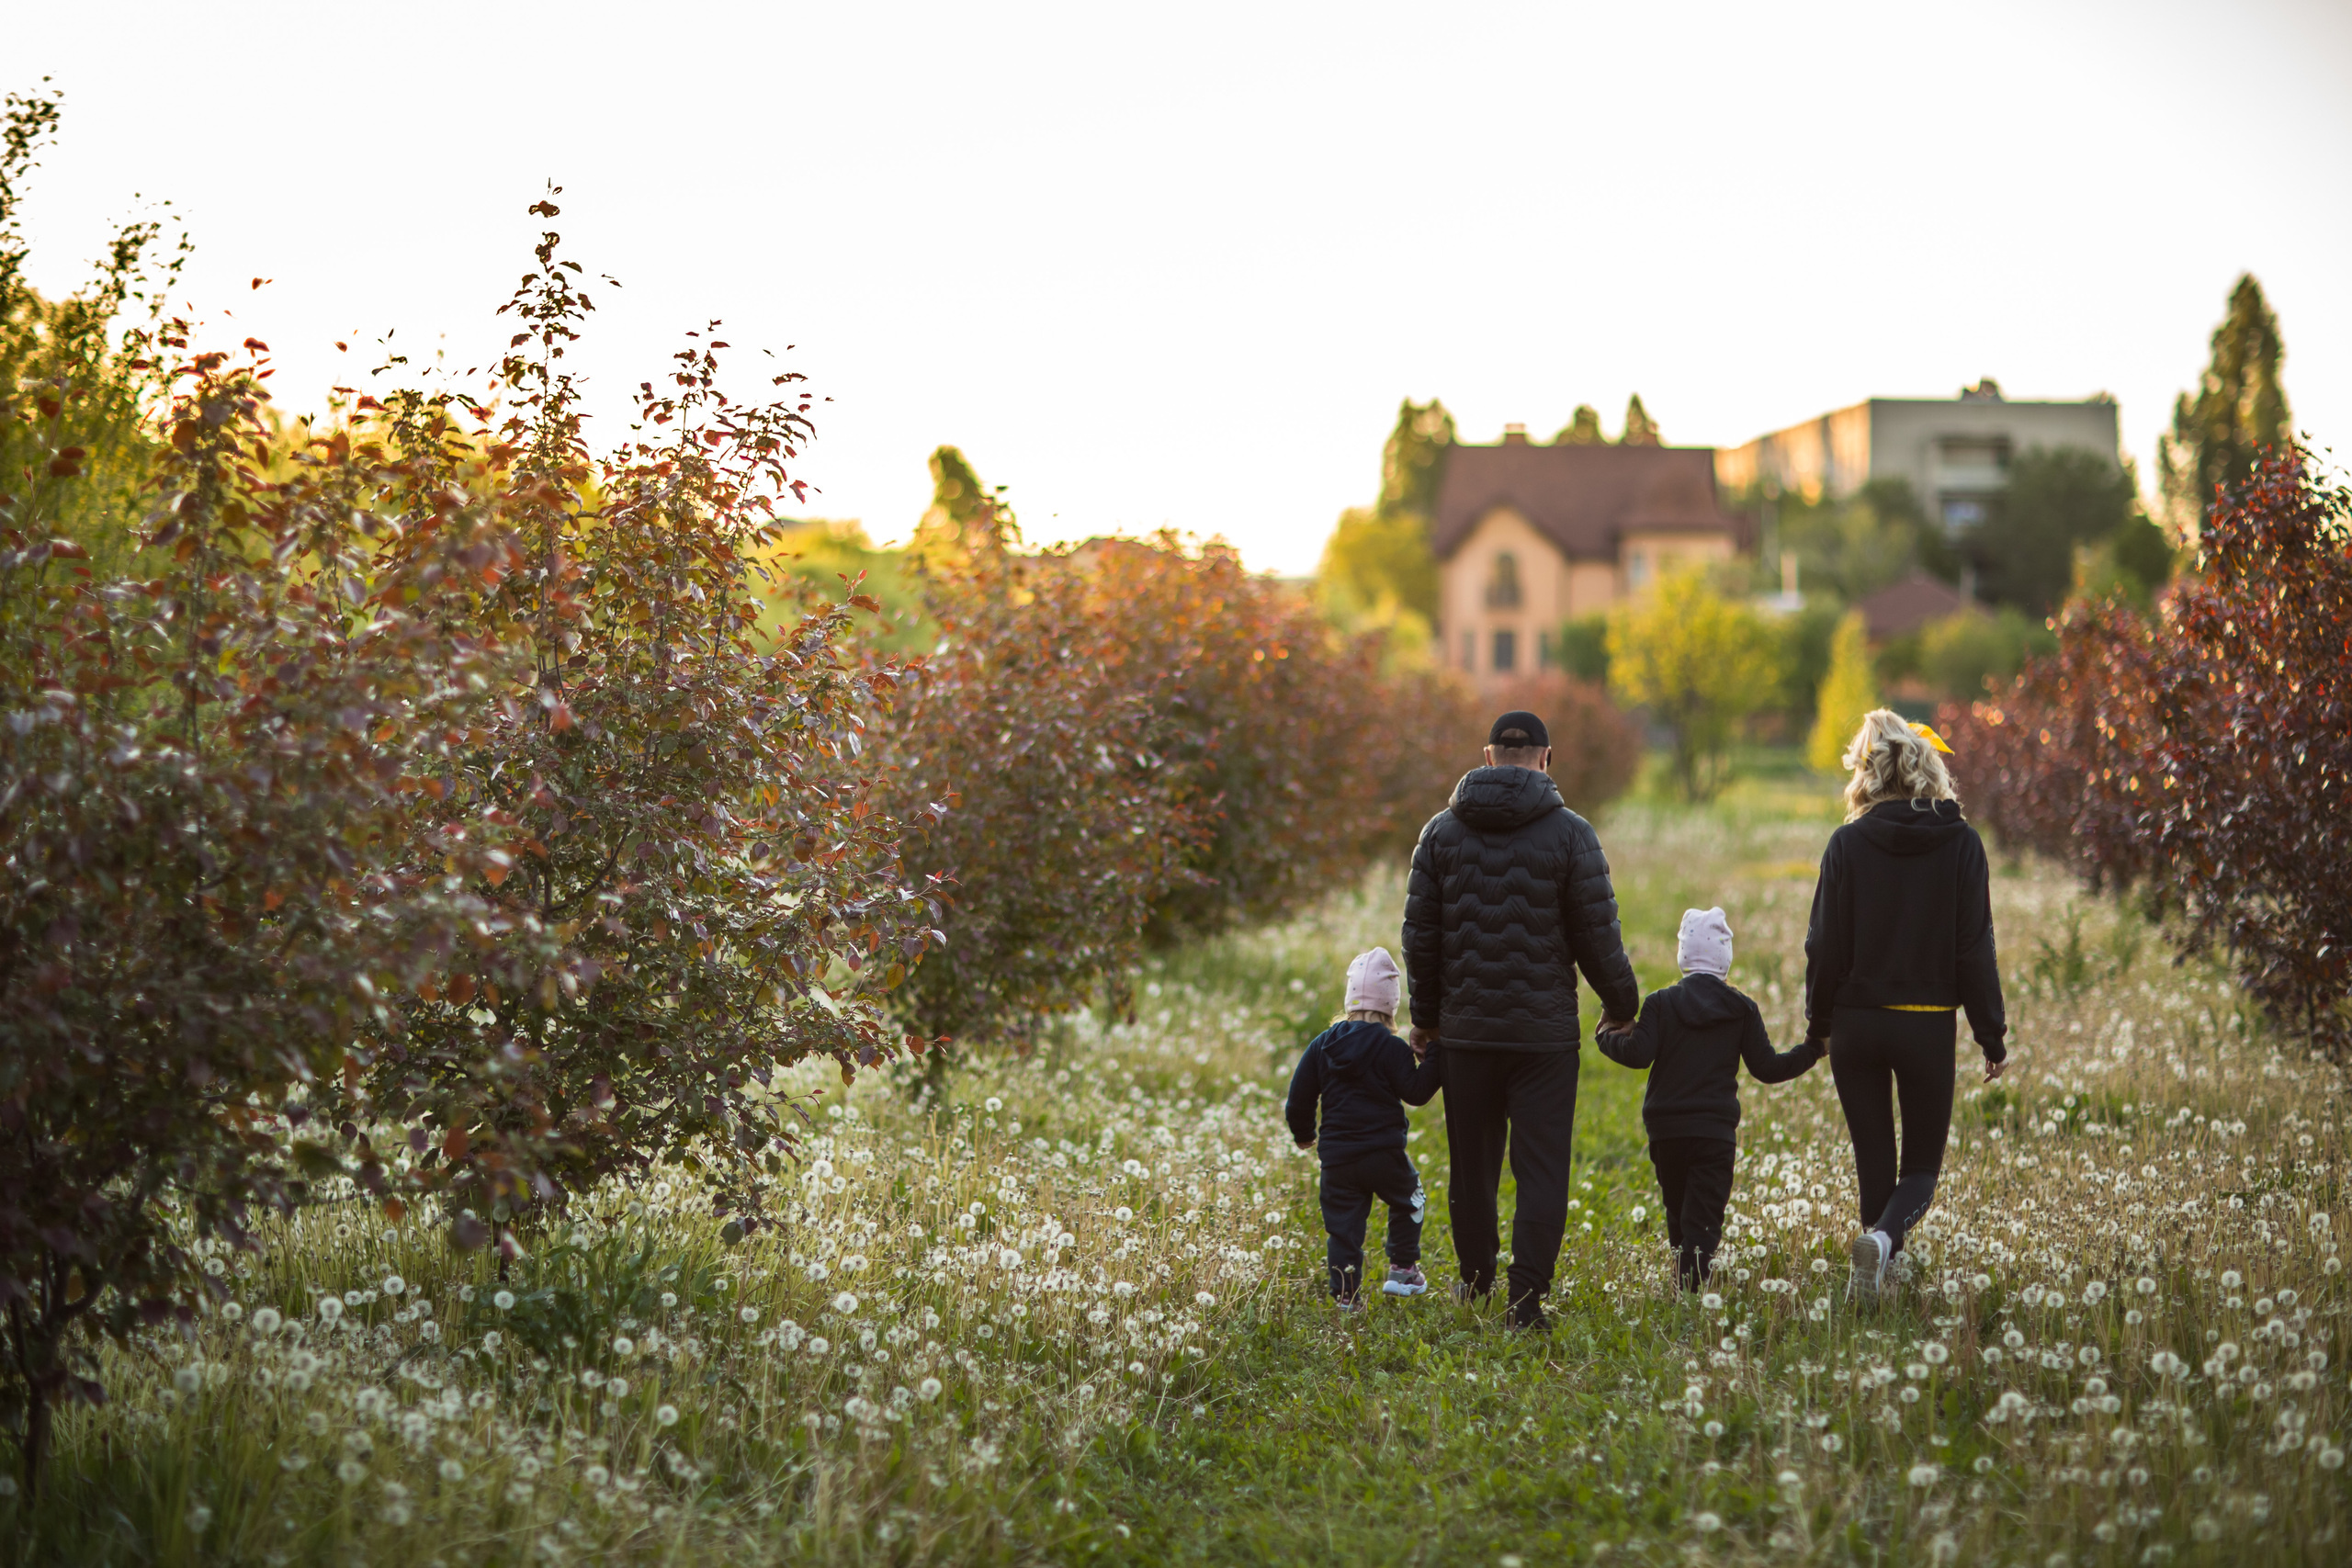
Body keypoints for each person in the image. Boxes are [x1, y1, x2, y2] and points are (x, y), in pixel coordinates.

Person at [1401, 710, 1641, 1330]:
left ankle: (1475, 1282)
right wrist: (1622, 1006)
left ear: (1487, 757)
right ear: (1546, 758)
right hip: (1544, 1039)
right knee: (1542, 1170)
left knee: (1471, 1169)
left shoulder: (1438, 834)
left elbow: (1420, 938)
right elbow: (1598, 936)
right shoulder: (1572, 834)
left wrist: (1426, 1018)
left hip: (1466, 1035)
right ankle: (1525, 1302)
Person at [1804, 709, 2007, 1305]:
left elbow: (1823, 945)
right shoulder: (1962, 843)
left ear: (1866, 771)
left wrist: (1819, 1025)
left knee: (1874, 1162)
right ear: (1926, 765)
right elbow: (1974, 949)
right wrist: (1991, 1035)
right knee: (1919, 1171)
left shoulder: (1845, 843)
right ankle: (1883, 1244)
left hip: (1856, 1025)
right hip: (1925, 1024)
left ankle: (1876, 1276)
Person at [1597, 907, 1823, 1290]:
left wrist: (1605, 1036)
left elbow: (1637, 1054)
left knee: (1677, 1211)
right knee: (1703, 1220)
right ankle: (1691, 1292)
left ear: (1683, 955)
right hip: (1714, 1133)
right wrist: (1813, 1048)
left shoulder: (1660, 1003)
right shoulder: (1742, 1009)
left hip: (1666, 1130)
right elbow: (1768, 1068)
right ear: (1725, 958)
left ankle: (1682, 1285)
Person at [1283, 947, 1443, 1309]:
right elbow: (1416, 1093)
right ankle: (1403, 1269)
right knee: (1411, 1199)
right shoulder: (1391, 1047)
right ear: (1391, 1006)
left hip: (1337, 1159)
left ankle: (1346, 1297)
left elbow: (1299, 1097)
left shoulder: (1322, 1045)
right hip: (1382, 1153)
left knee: (1343, 1228)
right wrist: (1436, 1052)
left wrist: (1304, 1133)